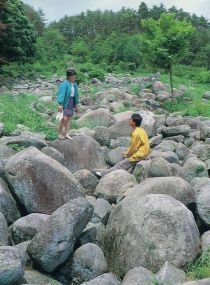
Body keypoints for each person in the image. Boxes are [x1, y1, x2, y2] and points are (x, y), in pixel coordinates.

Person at [94, 113, 150, 178]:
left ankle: (103, 174)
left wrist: (127, 155)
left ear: (134, 122)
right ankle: (119, 170)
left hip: (140, 154)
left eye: (131, 119)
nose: (129, 120)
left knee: (121, 164)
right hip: (144, 152)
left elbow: (133, 148)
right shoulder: (141, 130)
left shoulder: (136, 133)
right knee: (124, 157)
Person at [57, 68, 79, 140]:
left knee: (69, 118)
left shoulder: (74, 84)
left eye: (74, 76)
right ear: (68, 76)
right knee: (64, 119)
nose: (74, 77)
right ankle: (60, 133)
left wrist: (76, 105)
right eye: (72, 76)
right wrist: (60, 104)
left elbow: (76, 95)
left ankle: (66, 133)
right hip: (65, 102)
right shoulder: (64, 84)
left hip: (72, 101)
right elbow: (62, 94)